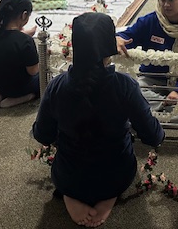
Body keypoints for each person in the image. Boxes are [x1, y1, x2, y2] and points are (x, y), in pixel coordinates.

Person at [33, 12, 164, 228]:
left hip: (68, 176)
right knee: (116, 161)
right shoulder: (125, 86)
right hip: (116, 175)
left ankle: (70, 194)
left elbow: (42, 134)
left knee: (71, 165)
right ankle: (108, 195)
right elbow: (152, 135)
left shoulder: (57, 85)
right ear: (109, 45)